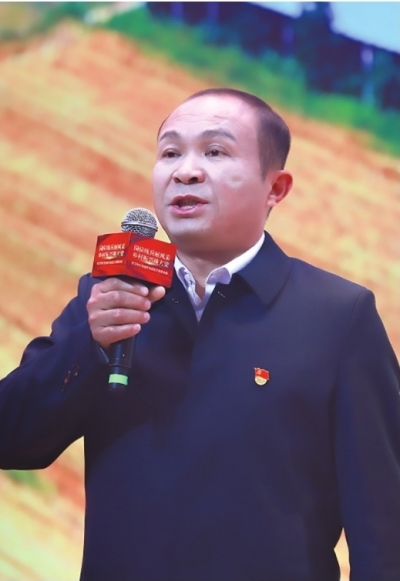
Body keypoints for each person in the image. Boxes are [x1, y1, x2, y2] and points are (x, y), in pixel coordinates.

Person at [0, 87, 399, 581]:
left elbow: (384, 527)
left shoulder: (339, 316)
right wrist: (90, 344)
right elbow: (11, 438)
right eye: (170, 153)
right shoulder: (110, 298)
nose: (185, 171)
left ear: (275, 188)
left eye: (215, 151)